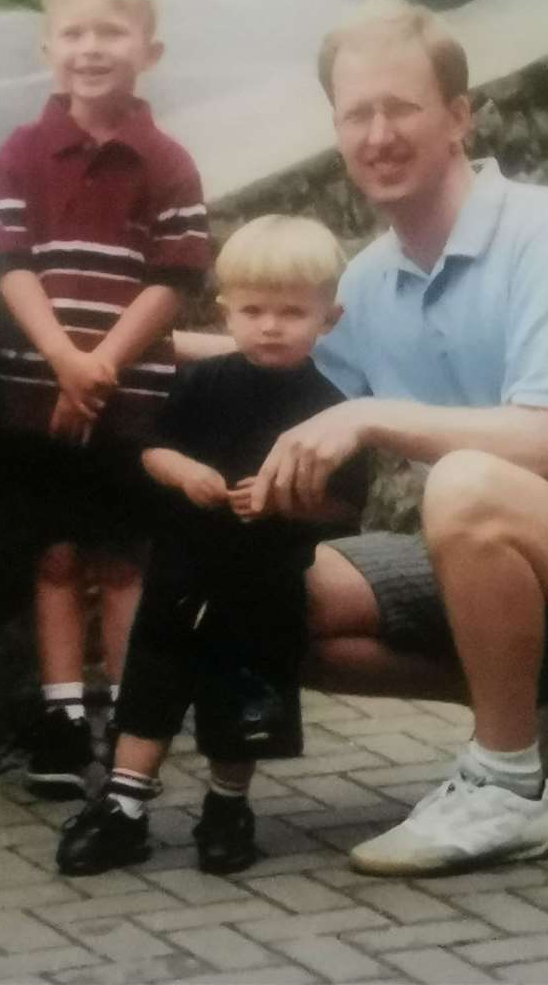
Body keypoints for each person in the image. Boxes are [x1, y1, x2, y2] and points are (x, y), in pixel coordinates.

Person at [189, 0, 548, 877]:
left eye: (402, 107)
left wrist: (370, 414)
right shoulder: (372, 279)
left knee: (464, 483)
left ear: (460, 117)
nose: (379, 133)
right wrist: (112, 355)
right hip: (502, 572)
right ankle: (538, 696)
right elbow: (267, 363)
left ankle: (507, 788)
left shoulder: (547, 234)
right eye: (357, 113)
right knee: (262, 586)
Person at [56, 216, 368, 877]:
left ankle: (228, 808)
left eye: (291, 311)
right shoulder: (202, 383)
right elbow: (151, 450)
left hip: (266, 584)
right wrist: (185, 473)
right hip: (182, 573)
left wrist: (288, 499)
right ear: (226, 311)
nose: (270, 325)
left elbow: (346, 504)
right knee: (150, 689)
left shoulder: (331, 408)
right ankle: (124, 809)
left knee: (242, 702)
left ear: (329, 318)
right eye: (253, 310)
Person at [0, 0, 210, 799]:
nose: (91, 49)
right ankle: (63, 714)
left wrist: (103, 364)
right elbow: (7, 265)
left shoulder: (167, 163)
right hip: (36, 396)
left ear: (149, 49)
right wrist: (64, 362)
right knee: (54, 556)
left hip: (129, 400)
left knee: (122, 560)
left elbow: (174, 279)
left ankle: (127, 719)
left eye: (111, 32)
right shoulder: (22, 153)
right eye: (73, 33)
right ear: (48, 49)